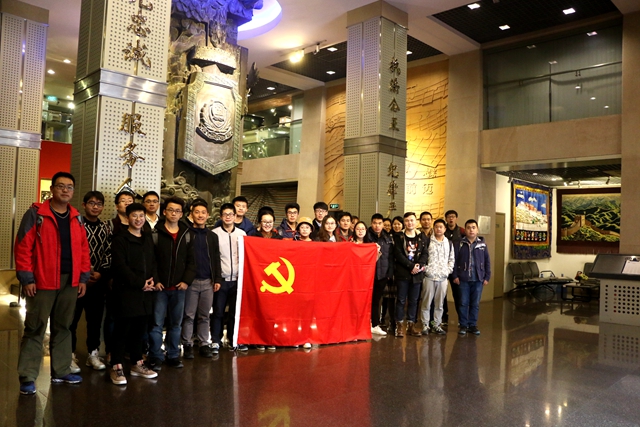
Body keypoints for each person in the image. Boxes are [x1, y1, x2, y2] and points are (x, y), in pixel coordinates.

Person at [15, 171, 90, 395]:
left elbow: (83, 249)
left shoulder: (76, 217)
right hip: (42, 280)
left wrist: (83, 277)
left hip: (70, 281)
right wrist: (27, 278)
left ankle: (61, 370)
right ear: (52, 189)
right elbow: (23, 247)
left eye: (69, 187)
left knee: (64, 326)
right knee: (35, 327)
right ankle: (27, 376)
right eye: (60, 186)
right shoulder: (36, 214)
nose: (65, 190)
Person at [109, 203, 158, 385]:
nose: (138, 219)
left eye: (141, 216)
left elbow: (153, 261)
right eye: (134, 216)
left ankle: (137, 363)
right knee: (121, 331)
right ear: (127, 217)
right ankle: (116, 366)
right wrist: (140, 283)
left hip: (145, 293)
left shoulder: (147, 238)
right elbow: (120, 266)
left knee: (140, 330)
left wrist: (152, 280)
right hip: (127, 292)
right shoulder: (120, 239)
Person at [148, 197, 196, 370]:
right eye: (170, 210)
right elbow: (151, 260)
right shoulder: (155, 233)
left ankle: (173, 355)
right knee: (156, 324)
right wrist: (156, 280)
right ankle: (155, 356)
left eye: (177, 211)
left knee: (176, 324)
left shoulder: (187, 234)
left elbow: (192, 261)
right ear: (164, 212)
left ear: (181, 214)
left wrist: (186, 281)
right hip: (160, 288)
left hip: (179, 287)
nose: (174, 213)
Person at [69, 191, 111, 373]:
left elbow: (109, 252)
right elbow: (71, 251)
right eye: (92, 203)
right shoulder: (76, 225)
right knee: (72, 320)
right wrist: (83, 274)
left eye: (99, 204)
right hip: (77, 281)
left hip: (97, 282)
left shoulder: (105, 228)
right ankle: (69, 355)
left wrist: (100, 273)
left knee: (94, 321)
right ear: (84, 205)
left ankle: (93, 353)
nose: (95, 207)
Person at [181, 199, 222, 359]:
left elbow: (216, 258)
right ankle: (187, 344)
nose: (200, 215)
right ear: (191, 214)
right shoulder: (186, 234)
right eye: (197, 212)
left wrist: (217, 279)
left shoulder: (212, 236)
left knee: (205, 316)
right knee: (189, 315)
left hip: (208, 282)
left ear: (208, 215)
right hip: (190, 282)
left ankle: (204, 343)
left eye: (203, 212)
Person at [212, 203, 247, 352]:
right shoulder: (214, 234)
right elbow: (213, 258)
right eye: (225, 214)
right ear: (221, 216)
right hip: (221, 280)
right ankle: (216, 340)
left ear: (235, 216)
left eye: (231, 214)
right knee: (218, 312)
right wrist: (216, 278)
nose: (228, 217)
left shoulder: (242, 234)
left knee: (234, 313)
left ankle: (234, 340)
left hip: (237, 280)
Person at [452, 219, 491, 336]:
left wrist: (487, 276)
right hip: (463, 279)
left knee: (475, 303)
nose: (471, 230)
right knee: (463, 302)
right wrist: (454, 275)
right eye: (468, 228)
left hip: (478, 279)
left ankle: (472, 325)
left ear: (477, 230)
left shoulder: (482, 245)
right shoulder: (459, 244)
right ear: (465, 230)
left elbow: (487, 261)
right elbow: (454, 261)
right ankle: (463, 325)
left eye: (473, 227)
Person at [393, 212, 429, 338]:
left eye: (412, 220)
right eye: (407, 220)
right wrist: (411, 266)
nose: (410, 223)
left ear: (416, 221)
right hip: (403, 273)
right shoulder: (399, 237)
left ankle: (411, 325)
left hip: (417, 275)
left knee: (414, 301)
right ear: (404, 222)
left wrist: (418, 265)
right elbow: (398, 254)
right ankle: (399, 326)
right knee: (401, 300)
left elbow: (425, 253)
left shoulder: (421, 237)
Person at [420, 219, 454, 335]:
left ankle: (437, 324)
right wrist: (426, 270)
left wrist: (447, 271)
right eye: (436, 227)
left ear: (445, 229)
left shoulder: (449, 243)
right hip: (429, 277)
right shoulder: (428, 241)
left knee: (439, 304)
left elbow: (451, 259)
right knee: (426, 302)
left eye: (441, 227)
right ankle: (425, 324)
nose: (438, 229)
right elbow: (423, 257)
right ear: (433, 228)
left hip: (443, 278)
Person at [366, 214, 394, 336]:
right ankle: (365, 323)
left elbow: (390, 257)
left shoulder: (387, 238)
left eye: (379, 223)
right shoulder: (367, 236)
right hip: (368, 274)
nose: (377, 226)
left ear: (383, 224)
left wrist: (389, 273)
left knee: (376, 300)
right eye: (374, 223)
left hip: (382, 275)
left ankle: (375, 324)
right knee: (366, 300)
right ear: (371, 223)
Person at [444, 209, 466, 325]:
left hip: (456, 267)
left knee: (458, 295)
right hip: (443, 265)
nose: (451, 219)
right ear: (446, 219)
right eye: (449, 217)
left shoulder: (462, 231)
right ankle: (444, 318)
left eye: (453, 216)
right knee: (442, 294)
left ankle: (461, 319)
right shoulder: (442, 230)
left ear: (456, 218)